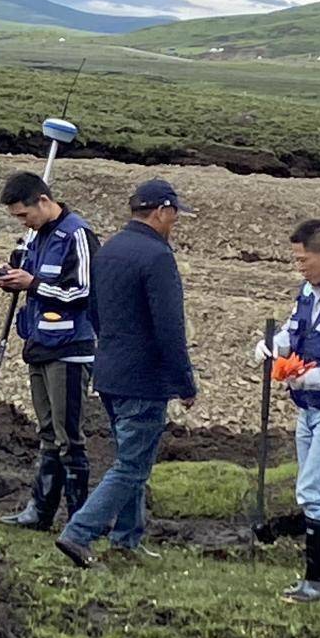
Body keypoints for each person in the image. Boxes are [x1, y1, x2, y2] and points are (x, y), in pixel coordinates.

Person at [55, 178, 198, 566]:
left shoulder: (109, 250)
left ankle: (127, 539)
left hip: (110, 372)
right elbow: (169, 327)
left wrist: (114, 350)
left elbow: (94, 311)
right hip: (144, 379)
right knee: (133, 466)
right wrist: (184, 381)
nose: (174, 223)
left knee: (129, 457)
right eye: (174, 215)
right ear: (161, 211)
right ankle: (79, 533)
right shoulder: (157, 257)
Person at [0, 172, 100, 531]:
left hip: (69, 349)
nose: (23, 223)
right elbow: (35, 283)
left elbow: (84, 293)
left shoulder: (78, 236)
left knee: (68, 436)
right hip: (39, 345)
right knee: (48, 432)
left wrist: (34, 283)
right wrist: (13, 278)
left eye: (24, 215)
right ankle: (40, 511)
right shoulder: (36, 238)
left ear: (42, 200)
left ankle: (78, 520)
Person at [253, 220, 320, 602]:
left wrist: (310, 378)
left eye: (304, 260)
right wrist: (273, 346)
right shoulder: (307, 292)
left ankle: (317, 580)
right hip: (308, 410)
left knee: (316, 491)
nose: (299, 267)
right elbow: (292, 331)